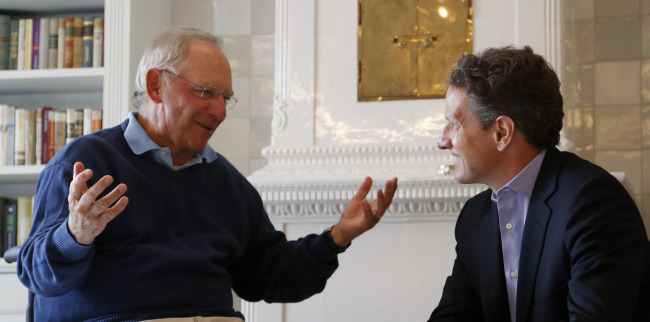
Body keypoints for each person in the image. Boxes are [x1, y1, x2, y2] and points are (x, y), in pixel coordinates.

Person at [16, 26, 398, 321]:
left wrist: (336, 238)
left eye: (225, 97)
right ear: (155, 86)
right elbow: (36, 274)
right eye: (206, 92)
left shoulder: (226, 182)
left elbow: (268, 274)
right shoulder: (86, 161)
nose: (220, 111)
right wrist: (74, 235)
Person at [429, 45, 650, 322]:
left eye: (455, 124)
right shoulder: (475, 216)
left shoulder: (593, 203)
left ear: (501, 132)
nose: (442, 140)